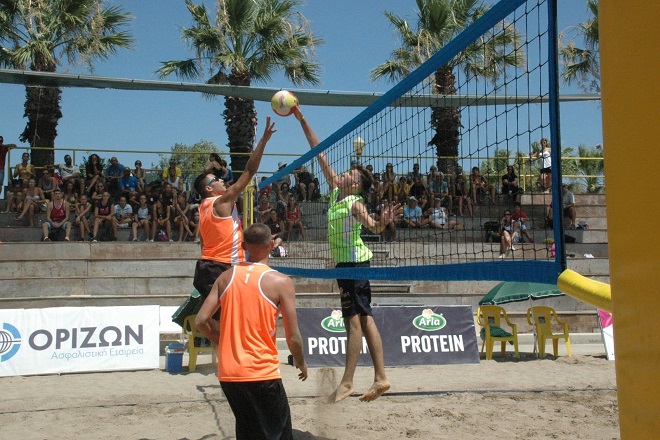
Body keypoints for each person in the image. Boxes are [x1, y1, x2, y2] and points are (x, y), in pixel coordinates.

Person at [295, 106, 396, 403]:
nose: (344, 174)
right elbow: (318, 150)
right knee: (364, 320)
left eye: (351, 174)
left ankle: (348, 382)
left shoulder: (354, 202)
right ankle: (380, 378)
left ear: (356, 184)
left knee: (354, 321)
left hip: (355, 265)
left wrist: (384, 222)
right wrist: (302, 119)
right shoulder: (335, 192)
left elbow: (374, 227)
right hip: (346, 266)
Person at [195, 223, 307, 440]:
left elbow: (201, 320)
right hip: (261, 372)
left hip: (229, 374)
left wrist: (220, 340)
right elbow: (293, 337)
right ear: (272, 245)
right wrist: (301, 362)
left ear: (244, 245)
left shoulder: (226, 277)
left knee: (248, 433)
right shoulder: (281, 282)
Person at [191, 117, 275, 301]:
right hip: (222, 267)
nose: (221, 180)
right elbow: (249, 171)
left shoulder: (203, 207)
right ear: (209, 189)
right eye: (216, 180)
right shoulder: (222, 201)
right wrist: (264, 140)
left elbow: (203, 241)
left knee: (215, 322)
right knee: (229, 321)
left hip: (206, 267)